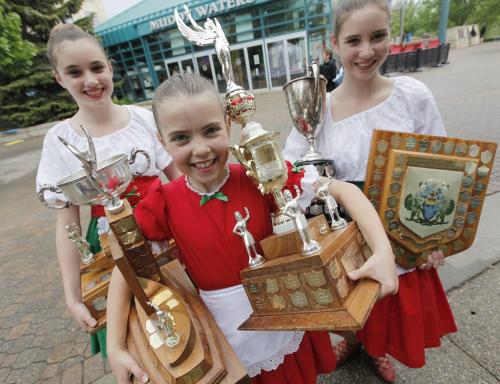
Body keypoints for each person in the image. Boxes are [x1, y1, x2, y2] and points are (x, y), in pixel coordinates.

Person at [106, 72, 399, 384]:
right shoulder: (163, 201)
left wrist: (383, 252)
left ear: (228, 126)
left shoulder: (257, 174)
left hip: (283, 319)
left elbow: (343, 191)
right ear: (161, 141)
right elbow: (125, 265)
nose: (201, 149)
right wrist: (115, 347)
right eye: (181, 138)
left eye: (210, 131)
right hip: (225, 341)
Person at [283, 0, 457, 382]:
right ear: (334, 43)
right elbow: (290, 172)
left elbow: (442, 165)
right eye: (354, 40)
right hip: (345, 229)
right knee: (350, 296)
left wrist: (437, 235)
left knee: (388, 303)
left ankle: (376, 349)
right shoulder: (318, 109)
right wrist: (326, 187)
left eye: (378, 37)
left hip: (404, 223)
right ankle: (354, 340)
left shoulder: (412, 95)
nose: (366, 51)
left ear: (389, 35)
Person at [36, 23, 179, 358]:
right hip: (110, 242)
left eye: (97, 67)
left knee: (188, 321)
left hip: (169, 229)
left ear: (110, 67)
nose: (91, 80)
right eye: (75, 72)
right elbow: (67, 225)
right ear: (59, 78)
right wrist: (73, 295)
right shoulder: (60, 140)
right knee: (143, 342)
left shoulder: (143, 118)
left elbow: (177, 179)